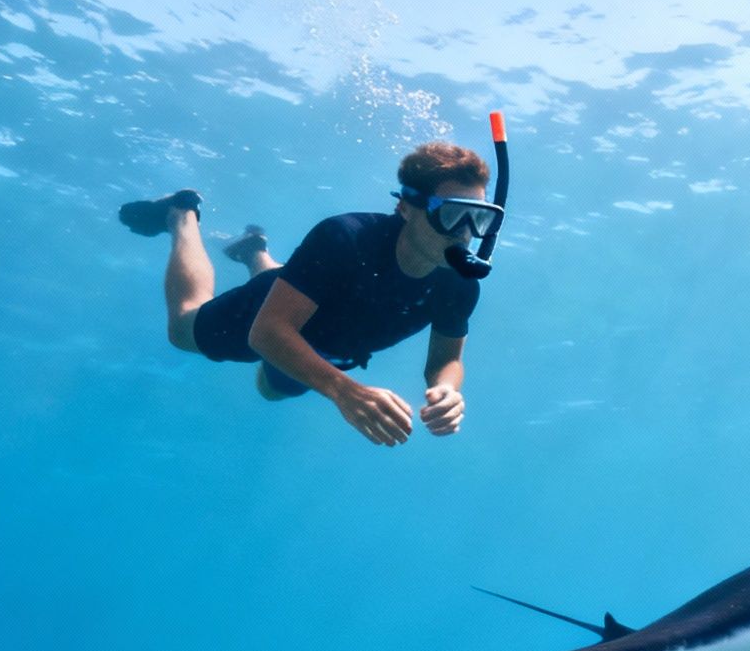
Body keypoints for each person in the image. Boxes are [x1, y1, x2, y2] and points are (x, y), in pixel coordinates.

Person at [117, 142, 503, 446]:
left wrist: (446, 389)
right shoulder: (344, 238)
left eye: (479, 217)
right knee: (183, 329)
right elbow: (267, 333)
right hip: (277, 320)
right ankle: (182, 214)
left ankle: (253, 250)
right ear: (406, 208)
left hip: (330, 345)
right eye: (452, 214)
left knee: (271, 391)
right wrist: (343, 391)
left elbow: (446, 359)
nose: (464, 231)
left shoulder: (460, 282)